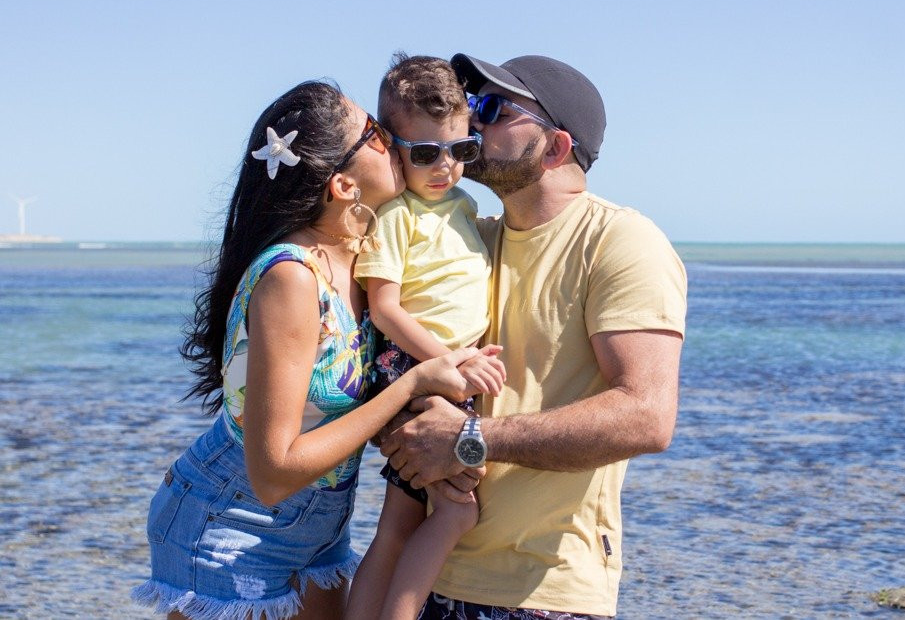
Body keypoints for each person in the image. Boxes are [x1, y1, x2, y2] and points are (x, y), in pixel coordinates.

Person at [131, 80, 502, 620]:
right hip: (230, 529)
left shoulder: (366, 262)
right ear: (344, 186)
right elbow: (274, 470)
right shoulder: (292, 277)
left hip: (319, 528)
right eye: (377, 135)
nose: (394, 140)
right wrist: (415, 383)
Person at [380, 54, 688, 619]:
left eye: (494, 108)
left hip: (543, 594)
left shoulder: (622, 241)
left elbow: (648, 415)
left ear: (557, 148)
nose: (470, 120)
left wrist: (470, 439)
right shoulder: (465, 237)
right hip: (430, 577)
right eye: (472, 104)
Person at [347, 53, 504, 620]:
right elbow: (385, 309)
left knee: (401, 522)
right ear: (392, 147)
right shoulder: (397, 216)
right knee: (454, 512)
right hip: (412, 367)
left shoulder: (466, 206)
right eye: (425, 153)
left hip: (445, 372)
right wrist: (451, 361)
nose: (446, 167)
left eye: (462, 150)